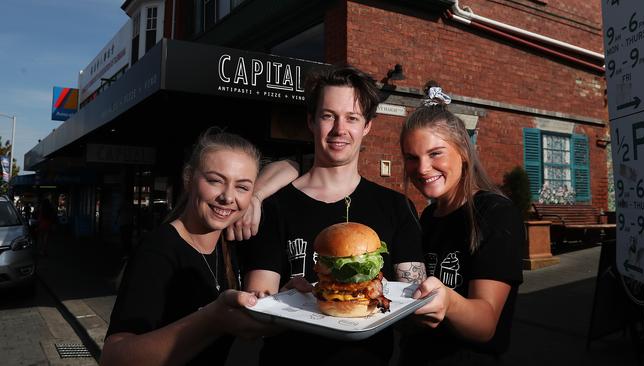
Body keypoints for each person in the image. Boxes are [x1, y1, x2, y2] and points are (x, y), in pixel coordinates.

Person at [237, 65, 426, 366]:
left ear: (367, 126)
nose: (340, 129)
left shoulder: (397, 207)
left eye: (352, 118)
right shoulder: (274, 206)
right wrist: (283, 302)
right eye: (328, 116)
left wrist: (386, 297)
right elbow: (255, 313)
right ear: (311, 121)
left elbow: (414, 309)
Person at [101, 130, 273, 366]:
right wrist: (212, 319)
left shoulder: (229, 242)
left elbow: (291, 166)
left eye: (242, 187)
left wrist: (288, 298)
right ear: (188, 179)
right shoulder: (159, 249)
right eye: (215, 181)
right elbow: (113, 358)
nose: (228, 197)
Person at [399, 83, 524, 365]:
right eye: (411, 158)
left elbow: (485, 325)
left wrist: (448, 300)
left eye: (435, 153)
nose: (422, 168)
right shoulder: (429, 217)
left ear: (464, 152)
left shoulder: (495, 213)